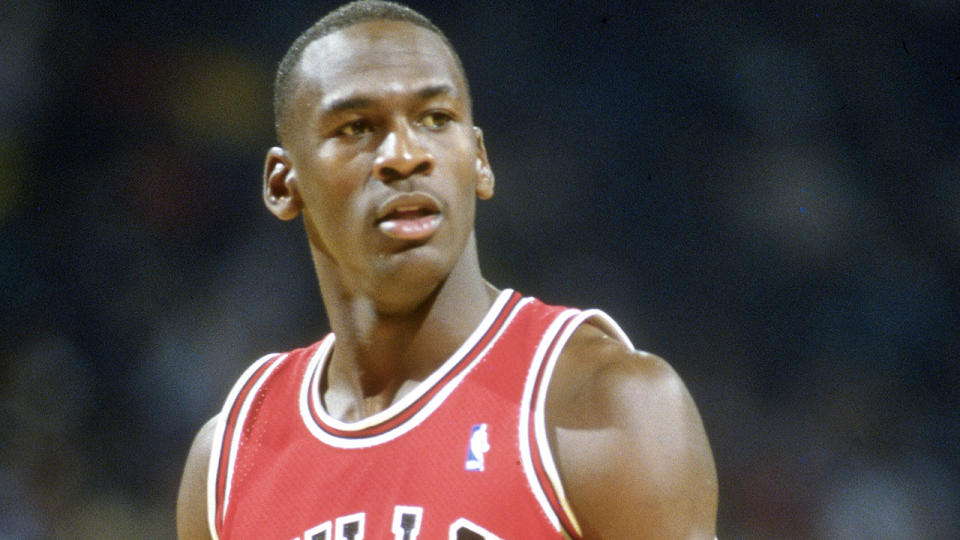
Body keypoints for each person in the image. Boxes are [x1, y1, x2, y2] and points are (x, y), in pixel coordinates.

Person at [176, 1, 718, 538]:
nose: (405, 154)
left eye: (436, 119)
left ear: (479, 160)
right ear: (281, 183)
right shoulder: (227, 462)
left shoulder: (603, 403)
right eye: (357, 127)